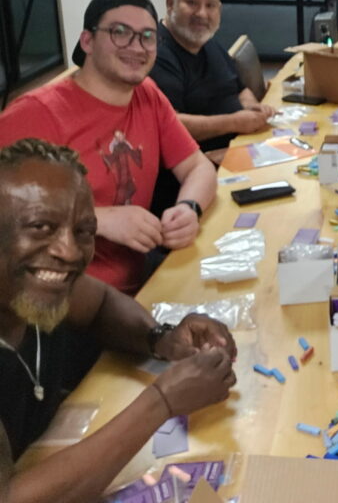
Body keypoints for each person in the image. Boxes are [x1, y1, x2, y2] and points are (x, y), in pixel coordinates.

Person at [0, 139, 236, 503]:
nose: (69, 251)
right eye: (40, 227)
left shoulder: (34, 285)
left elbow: (101, 304)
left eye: (83, 231)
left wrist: (162, 338)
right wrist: (161, 401)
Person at [0, 0, 216, 295]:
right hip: (66, 297)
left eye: (147, 37)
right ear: (87, 41)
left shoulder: (147, 94)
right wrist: (95, 219)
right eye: (120, 33)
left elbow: (198, 166)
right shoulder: (36, 114)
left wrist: (189, 208)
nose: (136, 47)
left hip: (142, 276)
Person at [150, 0, 275, 159]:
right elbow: (169, 124)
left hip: (241, 143)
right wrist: (235, 122)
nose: (202, 14)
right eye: (191, 3)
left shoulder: (206, 41)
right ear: (170, 4)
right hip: (201, 159)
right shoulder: (156, 54)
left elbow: (239, 89)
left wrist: (252, 107)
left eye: (210, 5)